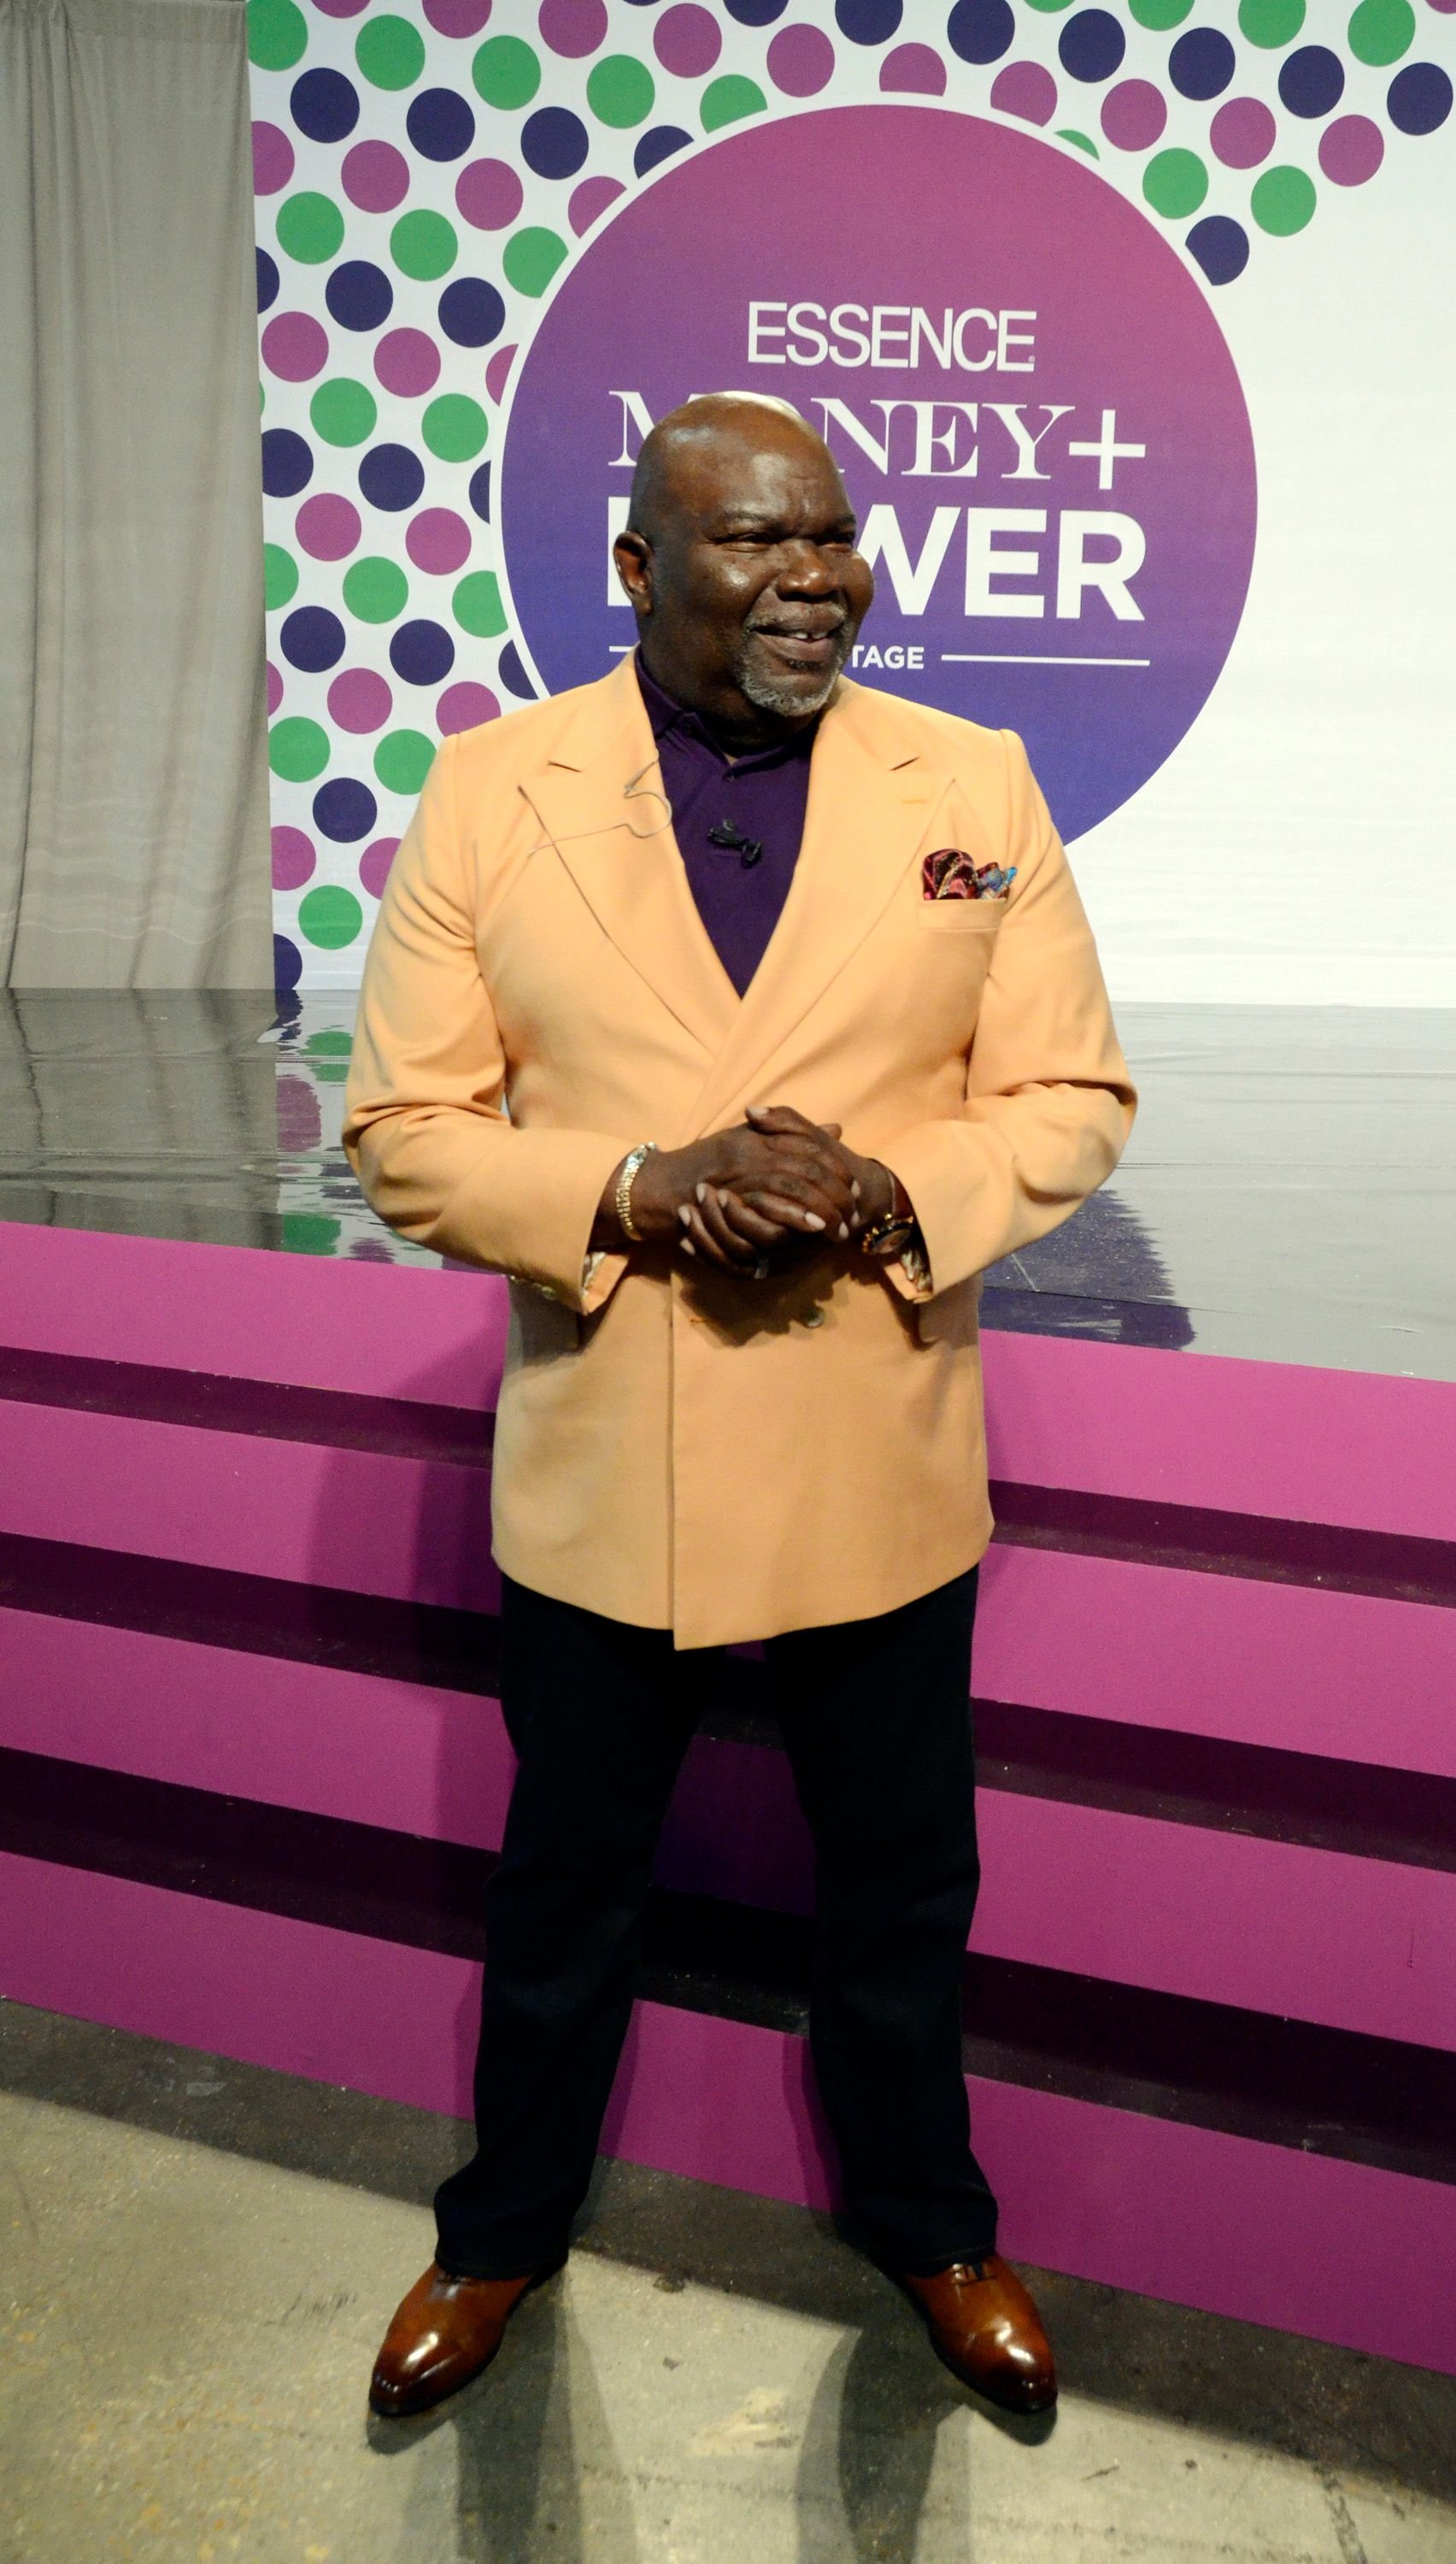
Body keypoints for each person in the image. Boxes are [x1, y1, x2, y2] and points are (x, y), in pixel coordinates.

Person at [345, 393, 1135, 2421]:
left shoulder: (978, 782)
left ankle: (930, 2222)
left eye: (836, 540)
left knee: (899, 1886)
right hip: (611, 1453)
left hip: (872, 1443)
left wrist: (888, 1191)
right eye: (757, 543)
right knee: (563, 1889)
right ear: (635, 569)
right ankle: (504, 2225)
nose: (815, 578)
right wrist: (634, 1191)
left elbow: (1068, 1099)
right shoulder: (487, 790)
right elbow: (409, 1131)